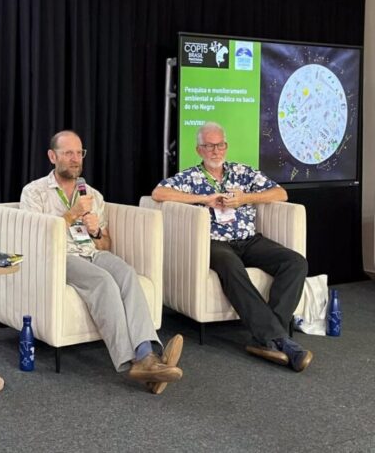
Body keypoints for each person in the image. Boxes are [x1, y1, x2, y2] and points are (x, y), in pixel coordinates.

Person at [20, 130, 184, 394]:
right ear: (52, 156)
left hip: (92, 253)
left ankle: (147, 355)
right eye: (68, 153)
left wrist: (96, 231)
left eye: (79, 153)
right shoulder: (34, 192)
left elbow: (106, 243)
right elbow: (35, 240)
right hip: (60, 257)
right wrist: (70, 215)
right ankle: (137, 361)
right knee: (104, 281)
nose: (75, 159)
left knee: (127, 273)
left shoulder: (92, 195)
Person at [151, 121, 312, 372]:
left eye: (220, 145)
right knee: (230, 264)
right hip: (215, 242)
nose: (215, 151)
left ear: (226, 146)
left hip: (249, 239)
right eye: (209, 146)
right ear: (199, 150)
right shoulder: (191, 176)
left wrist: (245, 198)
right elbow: (159, 193)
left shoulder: (243, 172)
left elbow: (281, 193)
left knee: (296, 262)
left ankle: (268, 337)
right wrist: (204, 199)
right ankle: (279, 339)